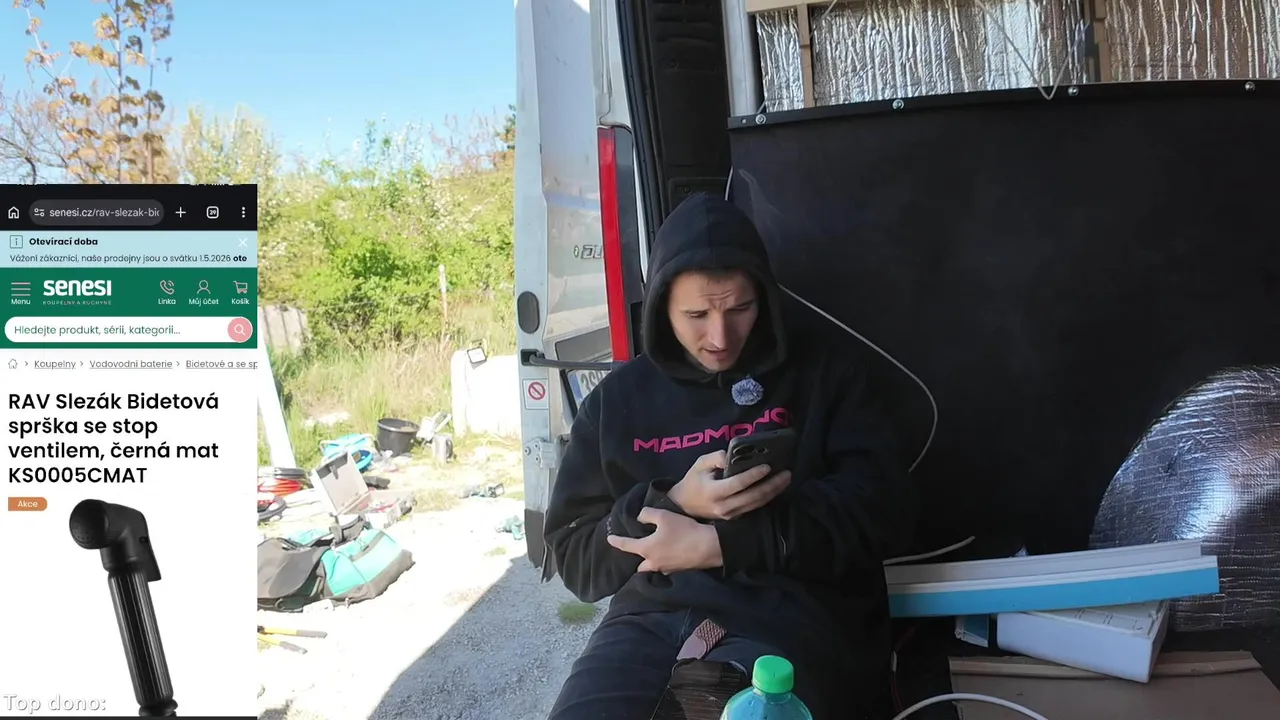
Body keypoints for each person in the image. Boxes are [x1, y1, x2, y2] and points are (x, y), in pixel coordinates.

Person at [544, 192, 916, 720]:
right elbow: (577, 561)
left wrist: (721, 544)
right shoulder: (614, 404)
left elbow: (884, 512)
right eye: (696, 314)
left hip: (788, 614)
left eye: (740, 308)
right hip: (649, 622)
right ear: (661, 306)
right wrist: (673, 501)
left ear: (764, 296)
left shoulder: (827, 373)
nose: (720, 336)